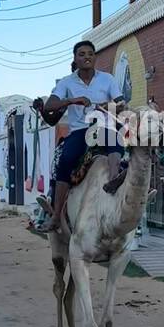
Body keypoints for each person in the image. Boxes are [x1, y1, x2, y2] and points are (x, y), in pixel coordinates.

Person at [40, 41, 124, 232]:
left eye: (90, 54)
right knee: (66, 159)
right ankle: (56, 216)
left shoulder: (108, 79)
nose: (87, 57)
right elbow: (49, 106)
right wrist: (72, 100)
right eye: (82, 54)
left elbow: (121, 104)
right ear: (75, 58)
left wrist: (108, 106)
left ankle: (114, 181)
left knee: (118, 144)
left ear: (95, 57)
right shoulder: (66, 82)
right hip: (80, 130)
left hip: (103, 125)